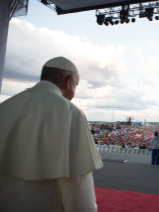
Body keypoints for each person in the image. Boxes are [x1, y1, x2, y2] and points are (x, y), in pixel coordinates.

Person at [0, 57, 103, 212]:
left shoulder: (5, 106)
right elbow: (76, 181)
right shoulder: (69, 112)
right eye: (76, 85)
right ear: (69, 81)